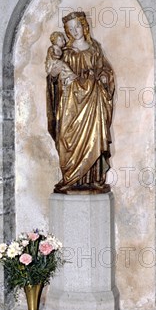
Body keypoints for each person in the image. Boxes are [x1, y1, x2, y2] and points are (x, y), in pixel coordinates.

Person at [46, 11, 115, 193]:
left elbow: (106, 71)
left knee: (94, 137)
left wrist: (103, 78)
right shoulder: (65, 52)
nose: (75, 31)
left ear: (84, 26)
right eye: (70, 29)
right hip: (70, 104)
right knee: (65, 137)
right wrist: (54, 74)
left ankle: (92, 179)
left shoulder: (95, 50)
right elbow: (53, 77)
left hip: (92, 103)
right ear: (67, 32)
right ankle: (70, 177)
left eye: (77, 26)